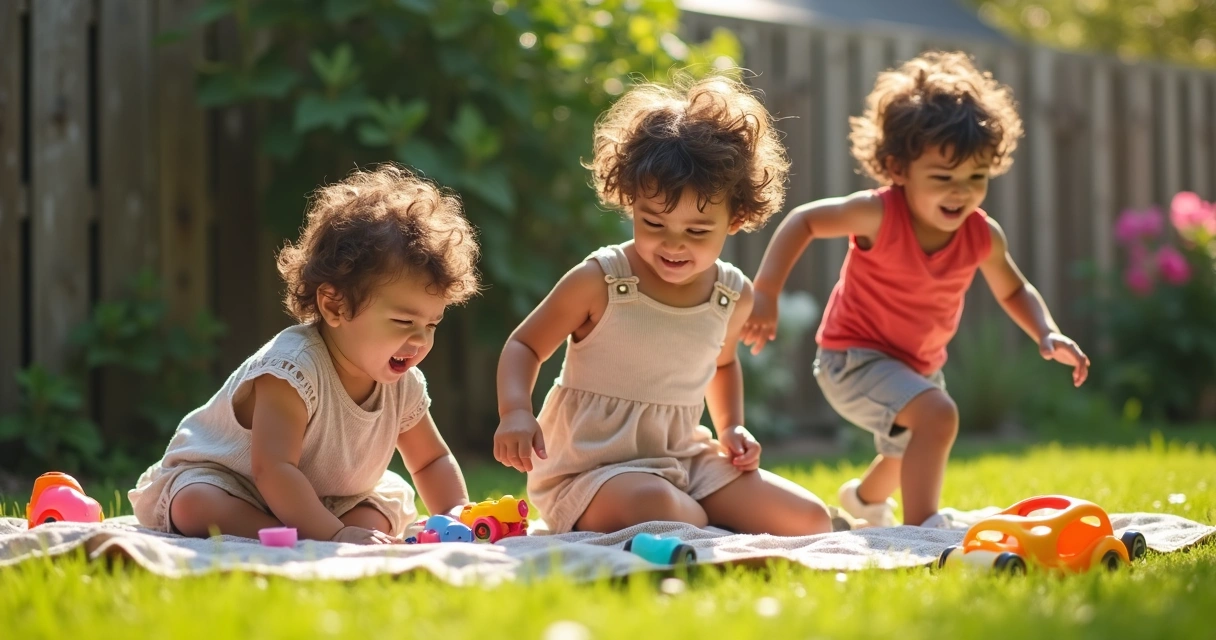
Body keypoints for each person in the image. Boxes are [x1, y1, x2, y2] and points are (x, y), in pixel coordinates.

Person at [743, 52, 1090, 529]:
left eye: (976, 178)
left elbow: (1014, 290)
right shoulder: (878, 214)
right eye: (943, 178)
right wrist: (766, 292)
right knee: (937, 416)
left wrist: (1046, 331)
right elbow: (804, 221)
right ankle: (924, 527)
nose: (960, 192)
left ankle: (864, 501)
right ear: (897, 168)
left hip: (918, 365)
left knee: (908, 447)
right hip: (852, 358)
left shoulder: (982, 235)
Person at [492, 74, 833, 535]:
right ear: (632, 202)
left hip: (683, 459)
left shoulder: (731, 295)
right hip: (592, 469)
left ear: (735, 218)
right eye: (654, 223)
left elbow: (723, 364)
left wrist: (731, 428)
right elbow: (525, 345)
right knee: (658, 507)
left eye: (697, 231)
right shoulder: (602, 281)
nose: (674, 244)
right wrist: (515, 410)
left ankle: (696, 519)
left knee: (809, 518)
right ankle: (696, 522)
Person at [129, 164, 479, 544]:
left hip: (332, 499)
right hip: (239, 485)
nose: (420, 339)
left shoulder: (402, 384)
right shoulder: (293, 369)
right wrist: (336, 534)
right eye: (403, 321)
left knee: (378, 516)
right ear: (334, 306)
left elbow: (431, 460)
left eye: (432, 324)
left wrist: (457, 513)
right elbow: (273, 469)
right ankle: (283, 533)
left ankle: (316, 528)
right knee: (195, 505)